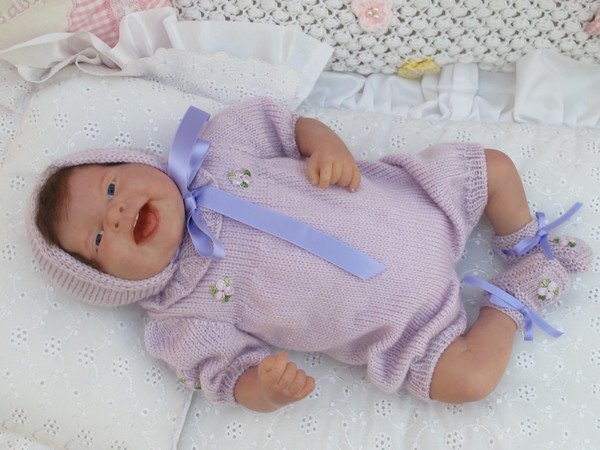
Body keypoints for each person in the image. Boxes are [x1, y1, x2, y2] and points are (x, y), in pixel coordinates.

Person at [28, 97, 592, 413]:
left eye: (110, 187)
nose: (116, 213)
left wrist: (325, 144)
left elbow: (290, 125)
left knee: (492, 167)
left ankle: (523, 241)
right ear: (114, 283)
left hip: (418, 205)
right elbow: (226, 377)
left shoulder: (216, 151)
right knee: (469, 380)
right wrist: (263, 388)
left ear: (133, 160)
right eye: (98, 239)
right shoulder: (182, 316)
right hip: (403, 324)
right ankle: (515, 297)